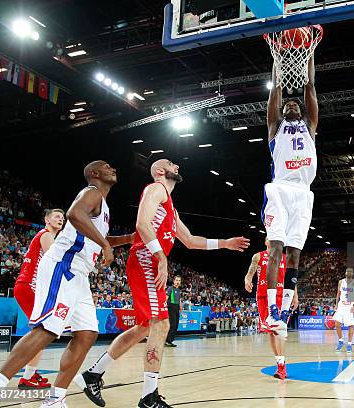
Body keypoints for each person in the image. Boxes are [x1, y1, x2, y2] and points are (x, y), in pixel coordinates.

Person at [75, 159, 249, 408]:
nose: (176, 165)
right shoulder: (156, 189)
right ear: (160, 171)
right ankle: (149, 396)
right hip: (146, 260)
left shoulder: (170, 206)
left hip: (150, 262)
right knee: (161, 323)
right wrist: (160, 256)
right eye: (170, 163)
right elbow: (142, 224)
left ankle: (93, 374)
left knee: (144, 327)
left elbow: (189, 240)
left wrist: (224, 243)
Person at [0, 160, 134, 408]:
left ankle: (55, 399)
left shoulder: (103, 205)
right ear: (94, 174)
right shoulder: (92, 192)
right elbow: (74, 215)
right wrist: (106, 245)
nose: (114, 168)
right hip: (63, 267)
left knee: (87, 334)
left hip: (80, 276)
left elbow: (97, 237)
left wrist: (126, 238)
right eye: (106, 166)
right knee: (47, 329)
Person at [262, 54, 318, 338]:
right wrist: (278, 63)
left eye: (295, 104)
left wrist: (309, 55)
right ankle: (271, 312)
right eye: (287, 105)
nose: (291, 104)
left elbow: (310, 87)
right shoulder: (276, 128)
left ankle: (283, 313)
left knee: (294, 254)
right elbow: (275, 91)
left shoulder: (310, 128)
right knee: (276, 249)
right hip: (281, 189)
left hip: (303, 194)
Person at [13, 208, 65, 389]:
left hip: (27, 286)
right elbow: (57, 260)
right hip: (29, 286)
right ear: (47, 220)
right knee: (41, 332)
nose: (61, 219)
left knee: (41, 332)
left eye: (62, 217)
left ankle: (30, 373)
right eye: (57, 216)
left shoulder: (46, 236)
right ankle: (25, 376)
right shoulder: (45, 235)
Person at [244, 239, 298, 379]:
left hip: (281, 296)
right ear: (265, 241)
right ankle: (280, 362)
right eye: (269, 237)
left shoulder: (285, 258)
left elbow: (291, 279)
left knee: (278, 330)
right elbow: (250, 272)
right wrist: (248, 279)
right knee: (271, 331)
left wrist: (295, 296)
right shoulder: (258, 256)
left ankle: (281, 366)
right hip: (263, 296)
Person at [333, 267, 354, 353]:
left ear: (352, 274)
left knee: (351, 325)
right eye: (347, 271)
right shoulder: (341, 282)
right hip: (341, 305)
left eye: (350, 271)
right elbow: (338, 294)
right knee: (337, 323)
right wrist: (336, 304)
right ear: (345, 273)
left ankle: (349, 344)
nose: (349, 272)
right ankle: (341, 340)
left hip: (350, 306)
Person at [165, 276, 182, 347]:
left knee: (176, 325)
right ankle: (167, 340)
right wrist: (164, 308)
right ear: (174, 281)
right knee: (172, 324)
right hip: (171, 307)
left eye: (179, 280)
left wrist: (181, 308)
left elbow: (179, 300)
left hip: (177, 308)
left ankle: (170, 340)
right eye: (176, 280)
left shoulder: (179, 290)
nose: (178, 282)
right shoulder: (170, 288)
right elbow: (166, 298)